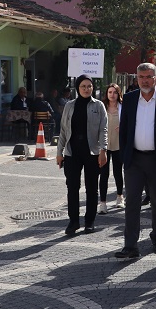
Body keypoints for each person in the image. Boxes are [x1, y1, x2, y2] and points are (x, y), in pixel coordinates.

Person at [117, 62, 156, 259]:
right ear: (137, 78)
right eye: (141, 77)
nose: (145, 80)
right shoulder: (128, 99)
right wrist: (124, 156)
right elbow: (124, 129)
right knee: (132, 202)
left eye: (149, 76)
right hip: (134, 159)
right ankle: (130, 245)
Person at [56, 75, 108, 236]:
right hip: (72, 153)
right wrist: (59, 152)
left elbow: (103, 130)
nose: (86, 89)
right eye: (83, 86)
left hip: (92, 153)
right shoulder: (70, 106)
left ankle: (89, 221)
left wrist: (103, 151)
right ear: (77, 88)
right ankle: (73, 221)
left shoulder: (98, 106)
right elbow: (63, 130)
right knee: (72, 187)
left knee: (92, 188)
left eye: (89, 86)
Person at [99, 83, 125, 210]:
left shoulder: (123, 107)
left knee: (117, 172)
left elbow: (129, 123)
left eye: (114, 92)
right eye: (110, 92)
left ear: (118, 93)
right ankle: (102, 202)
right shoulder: (102, 107)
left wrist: (123, 128)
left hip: (118, 145)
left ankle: (120, 196)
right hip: (104, 145)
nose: (112, 95)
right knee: (103, 173)